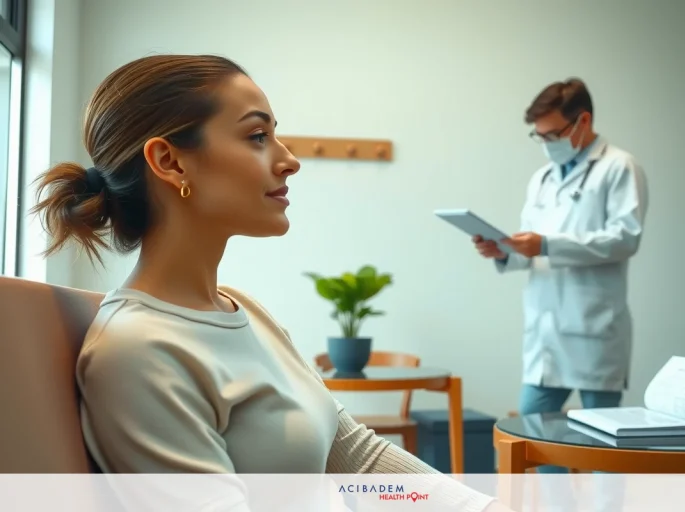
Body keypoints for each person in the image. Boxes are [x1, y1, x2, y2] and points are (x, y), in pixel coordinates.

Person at [31, 54, 508, 512]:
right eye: (258, 136)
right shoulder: (138, 351)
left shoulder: (244, 310)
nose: (289, 160)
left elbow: (357, 459)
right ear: (170, 162)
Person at [474, 78, 649, 473]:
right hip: (545, 334)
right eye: (539, 136)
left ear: (582, 120)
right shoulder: (543, 178)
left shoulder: (619, 167)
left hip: (593, 330)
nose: (547, 143)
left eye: (552, 133)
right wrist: (502, 251)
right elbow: (531, 249)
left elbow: (625, 239)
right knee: (532, 440)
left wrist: (547, 244)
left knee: (605, 449)